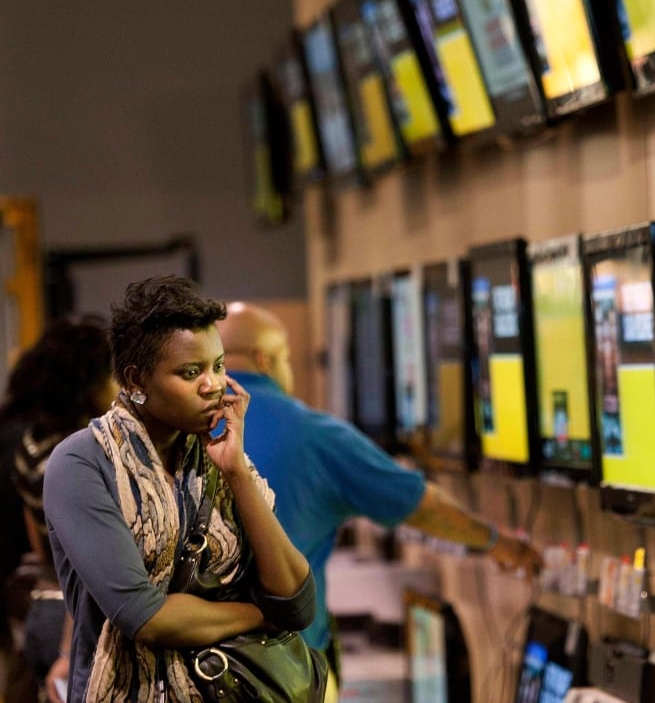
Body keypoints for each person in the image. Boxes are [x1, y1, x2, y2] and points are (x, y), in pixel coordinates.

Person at [215, 302, 541, 689]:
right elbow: (419, 505)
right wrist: (501, 545)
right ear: (264, 359)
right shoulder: (315, 435)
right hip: (285, 674)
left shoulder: (182, 427)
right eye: (287, 358)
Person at [43, 276, 316, 702]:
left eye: (219, 366)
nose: (213, 385)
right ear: (135, 381)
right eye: (191, 372)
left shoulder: (216, 457)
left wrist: (237, 475)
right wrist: (259, 616)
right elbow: (145, 617)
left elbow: (296, 603)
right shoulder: (82, 463)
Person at [0, 317, 119, 702]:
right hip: (76, 616)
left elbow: (38, 541)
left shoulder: (25, 442)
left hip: (33, 604)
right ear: (88, 382)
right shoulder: (79, 453)